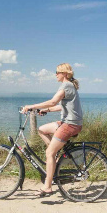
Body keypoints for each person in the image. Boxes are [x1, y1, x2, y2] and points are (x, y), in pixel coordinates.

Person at [21, 63, 83, 197]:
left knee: (49, 153)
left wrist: (31, 106)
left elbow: (53, 101)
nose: (55, 74)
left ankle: (48, 187)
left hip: (70, 124)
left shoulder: (66, 86)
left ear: (65, 74)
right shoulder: (69, 86)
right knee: (42, 129)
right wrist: (45, 110)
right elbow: (61, 107)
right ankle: (54, 156)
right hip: (68, 122)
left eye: (57, 72)